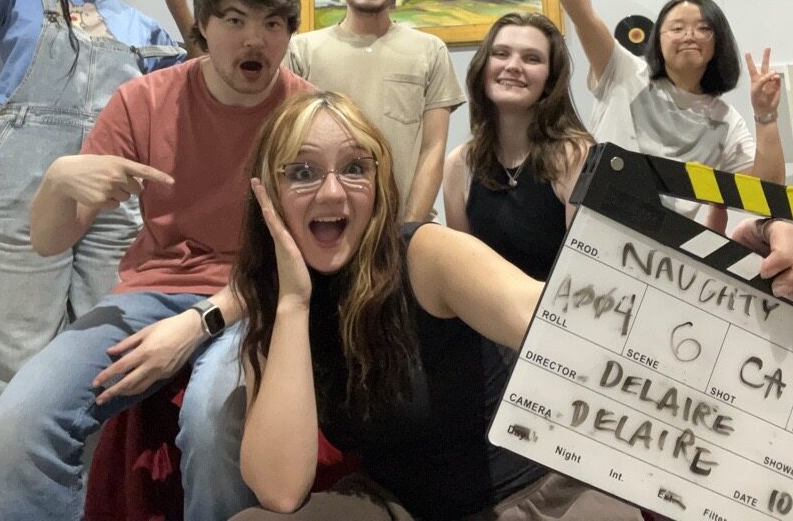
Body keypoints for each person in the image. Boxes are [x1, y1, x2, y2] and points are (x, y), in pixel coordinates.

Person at [0, 0, 313, 521]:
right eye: (234, 20)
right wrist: (59, 181)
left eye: (272, 24)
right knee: (18, 424)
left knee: (214, 425)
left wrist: (199, 322)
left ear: (289, 32)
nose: (254, 40)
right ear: (204, 26)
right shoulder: (144, 100)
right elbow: (48, 241)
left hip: (256, 295)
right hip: (151, 291)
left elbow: (303, 259)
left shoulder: (306, 115)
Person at [229, 90, 642, 521]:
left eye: (354, 168)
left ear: (378, 184)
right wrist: (293, 303)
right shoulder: (276, 304)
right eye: (302, 172)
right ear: (267, 193)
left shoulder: (425, 255)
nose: (332, 192)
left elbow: (551, 321)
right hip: (399, 507)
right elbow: (279, 490)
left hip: (529, 499)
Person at [0, 0, 192, 402]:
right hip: (22, 181)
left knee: (103, 340)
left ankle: (88, 454)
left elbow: (204, 81)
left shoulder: (146, 28)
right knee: (15, 339)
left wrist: (180, 7)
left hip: (114, 191)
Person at [519, 0, 784, 220]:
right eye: (677, 27)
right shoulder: (624, 72)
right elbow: (583, 15)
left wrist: (766, 115)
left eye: (703, 28)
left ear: (719, 43)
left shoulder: (725, 122)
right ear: (657, 39)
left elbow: (766, 193)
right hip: (595, 231)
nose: (689, 35)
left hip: (668, 247)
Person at [286, 0, 465, 221]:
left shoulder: (430, 51)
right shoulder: (300, 51)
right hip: (325, 224)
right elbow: (288, 148)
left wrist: (410, 227)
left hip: (402, 228)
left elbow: (432, 149)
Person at [443, 11, 592, 279]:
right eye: (501, 54)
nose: (513, 66)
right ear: (483, 67)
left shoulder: (576, 157)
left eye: (532, 58)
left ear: (550, 80)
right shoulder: (459, 164)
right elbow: (461, 276)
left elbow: (583, 276)